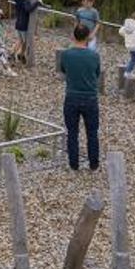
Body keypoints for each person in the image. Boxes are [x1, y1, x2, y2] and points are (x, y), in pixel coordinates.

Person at [59, 24, 101, 171]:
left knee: (72, 132)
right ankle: (94, 163)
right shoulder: (94, 55)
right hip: (90, 97)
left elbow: (63, 70)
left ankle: (73, 164)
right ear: (88, 37)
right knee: (92, 132)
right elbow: (97, 73)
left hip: (72, 96)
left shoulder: (66, 54)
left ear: (73, 35)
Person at [10, 0, 41, 64]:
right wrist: (37, 3)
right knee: (25, 41)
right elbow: (28, 9)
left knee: (21, 40)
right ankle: (14, 53)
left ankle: (20, 54)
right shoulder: (25, 1)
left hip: (18, 23)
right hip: (24, 25)